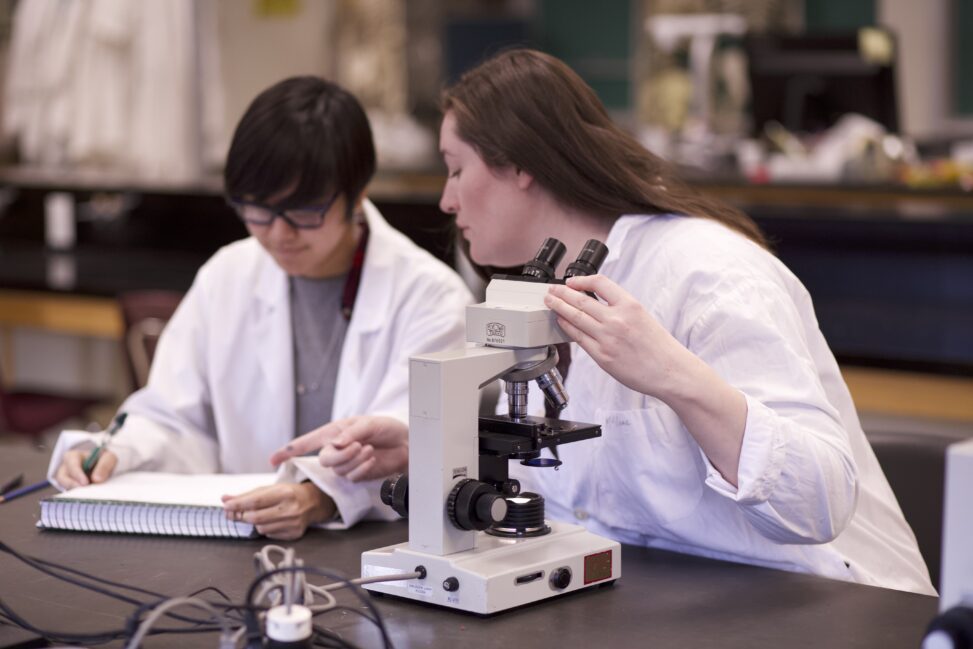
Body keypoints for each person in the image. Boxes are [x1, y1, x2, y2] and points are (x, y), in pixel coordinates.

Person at [277, 50, 935, 595]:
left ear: (518, 165)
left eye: (456, 169)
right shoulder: (541, 282)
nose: (447, 199)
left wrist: (671, 374)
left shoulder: (706, 272)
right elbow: (593, 487)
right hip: (665, 599)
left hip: (825, 602)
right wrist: (423, 443)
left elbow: (818, 501)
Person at [47, 76, 473, 540]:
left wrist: (320, 497)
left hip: (372, 556)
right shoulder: (227, 276)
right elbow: (173, 415)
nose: (278, 234)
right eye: (257, 210)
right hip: (237, 544)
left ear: (359, 193)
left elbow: (417, 445)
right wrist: (117, 450)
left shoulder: (431, 297)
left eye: (305, 211)